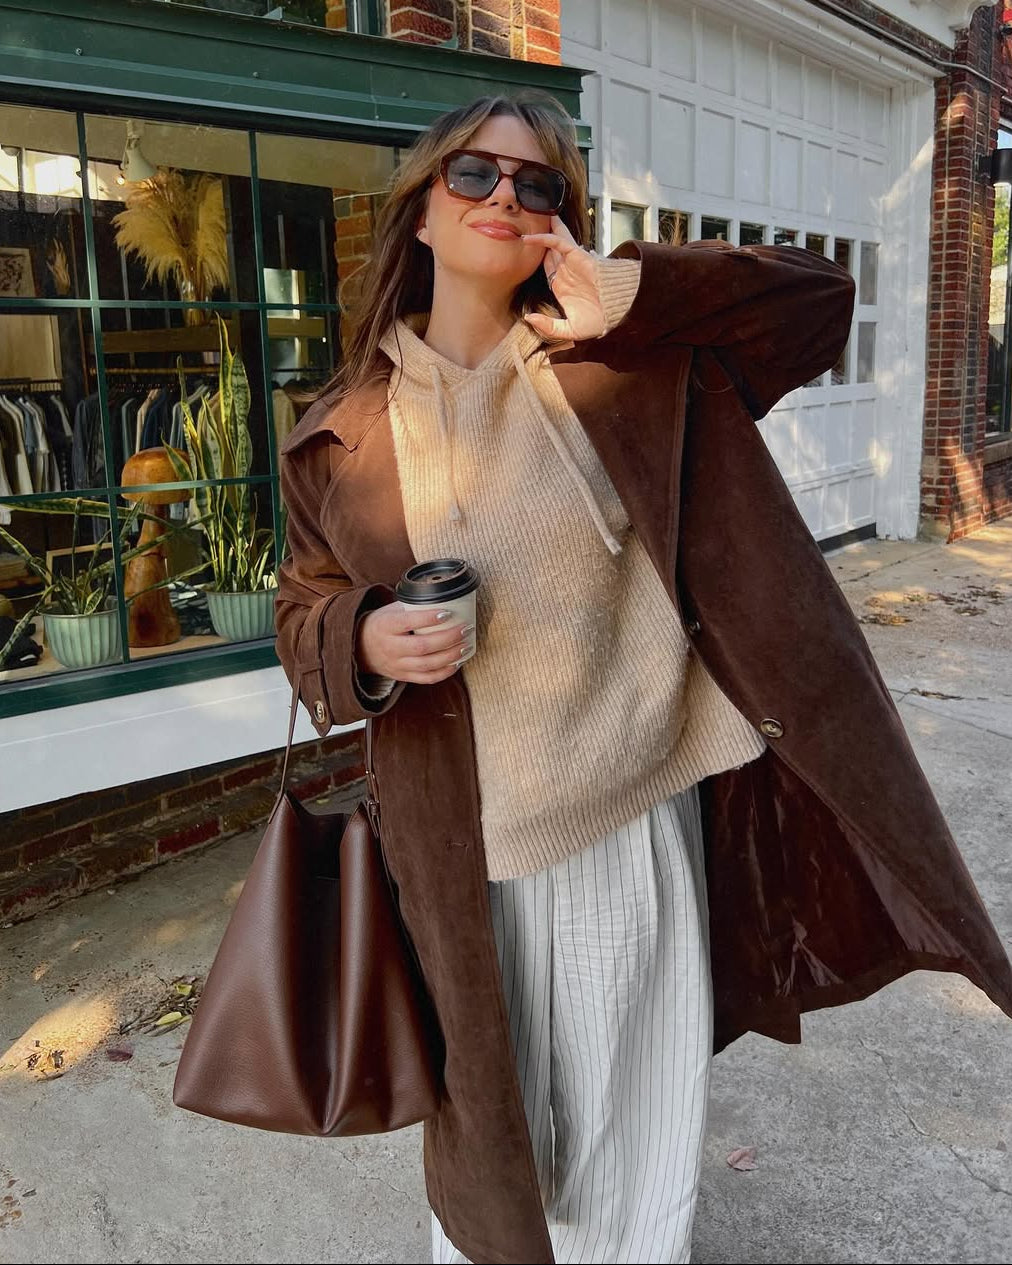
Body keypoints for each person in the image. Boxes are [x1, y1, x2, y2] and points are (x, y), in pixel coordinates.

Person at [275, 92, 1012, 1265]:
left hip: (631, 819)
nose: (504, 196)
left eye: (537, 183)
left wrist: (630, 292)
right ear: (419, 210)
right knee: (495, 1152)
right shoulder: (340, 430)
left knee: (631, 1152)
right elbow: (302, 599)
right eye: (474, 173)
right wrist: (359, 638)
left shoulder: (627, 359)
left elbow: (817, 303)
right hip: (465, 847)